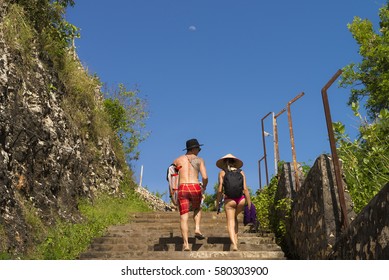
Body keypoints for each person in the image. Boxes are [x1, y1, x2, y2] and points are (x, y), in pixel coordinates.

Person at [173, 138, 208, 251]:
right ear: (193, 149)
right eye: (198, 148)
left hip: (182, 188)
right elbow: (205, 177)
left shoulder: (177, 160)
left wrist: (173, 193)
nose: (199, 150)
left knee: (183, 216)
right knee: (197, 208)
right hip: (194, 187)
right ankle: (197, 228)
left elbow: (171, 177)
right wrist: (204, 187)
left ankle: (186, 244)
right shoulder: (199, 160)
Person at [216, 154, 251, 251]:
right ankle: (236, 238)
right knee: (234, 218)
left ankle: (234, 245)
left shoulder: (222, 173)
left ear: (224, 163)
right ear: (235, 162)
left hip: (229, 200)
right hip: (241, 200)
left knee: (230, 221)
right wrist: (249, 204)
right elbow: (245, 189)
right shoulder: (241, 172)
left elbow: (220, 190)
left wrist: (218, 202)